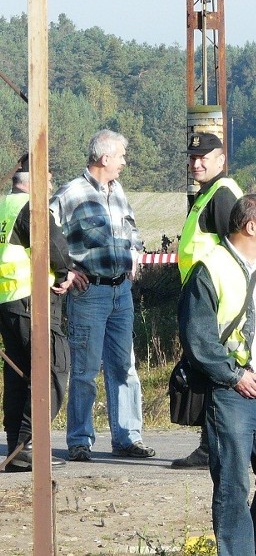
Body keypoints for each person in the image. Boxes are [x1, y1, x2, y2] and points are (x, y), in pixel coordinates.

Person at [178, 194, 256, 556]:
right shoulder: (210, 268)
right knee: (233, 485)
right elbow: (197, 336)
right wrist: (233, 376)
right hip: (233, 394)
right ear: (251, 227)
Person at [50, 129, 155, 462]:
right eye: (121, 156)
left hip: (120, 293)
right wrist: (65, 270)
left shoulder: (117, 190)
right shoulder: (71, 193)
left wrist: (135, 253)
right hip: (89, 294)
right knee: (84, 370)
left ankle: (127, 438)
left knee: (125, 368)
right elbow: (44, 234)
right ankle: (80, 440)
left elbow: (132, 230)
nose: (124, 162)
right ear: (104, 158)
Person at [172, 131, 243, 469]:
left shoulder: (222, 195)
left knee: (211, 367)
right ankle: (212, 444)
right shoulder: (208, 193)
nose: (196, 163)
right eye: (192, 158)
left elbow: (237, 246)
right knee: (204, 367)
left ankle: (212, 446)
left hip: (213, 299)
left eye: (204, 158)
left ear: (221, 160)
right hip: (202, 295)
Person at [0, 155, 75, 471]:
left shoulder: (5, 206)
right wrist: (64, 273)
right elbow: (54, 246)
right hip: (33, 302)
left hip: (8, 302)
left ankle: (18, 444)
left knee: (19, 377)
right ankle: (30, 445)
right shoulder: (32, 208)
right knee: (52, 369)